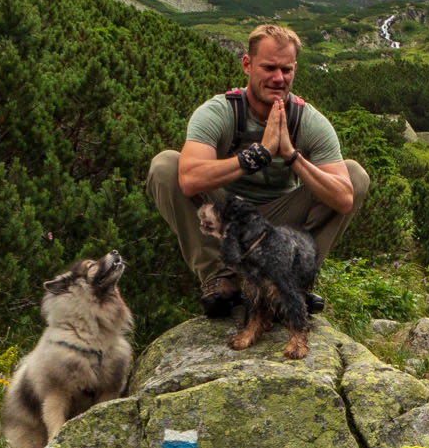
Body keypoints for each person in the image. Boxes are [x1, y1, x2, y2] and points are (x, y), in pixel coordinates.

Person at [147, 24, 370, 317]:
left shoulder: (309, 121)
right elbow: (189, 180)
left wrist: (292, 157)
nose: (278, 78)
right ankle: (221, 278)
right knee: (165, 166)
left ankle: (289, 280)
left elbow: (343, 199)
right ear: (247, 65)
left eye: (286, 70)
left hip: (282, 222)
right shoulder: (219, 112)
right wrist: (257, 154)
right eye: (268, 68)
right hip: (228, 216)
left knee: (354, 176)